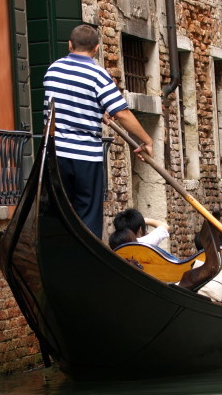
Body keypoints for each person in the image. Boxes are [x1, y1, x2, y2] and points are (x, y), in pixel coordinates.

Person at [44, 23, 154, 238]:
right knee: (88, 216)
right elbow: (121, 113)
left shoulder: (53, 70)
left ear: (70, 45)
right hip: (86, 157)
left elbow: (66, 104)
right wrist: (146, 140)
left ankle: (60, 252)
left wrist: (97, 110)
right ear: (96, 48)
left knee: (60, 213)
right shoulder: (97, 74)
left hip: (56, 156)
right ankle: (85, 256)